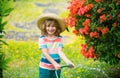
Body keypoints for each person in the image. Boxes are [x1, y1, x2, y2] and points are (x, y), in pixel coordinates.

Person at [37, 13, 74, 78]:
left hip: (56, 68)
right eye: (48, 26)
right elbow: (45, 53)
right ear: (45, 27)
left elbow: (60, 51)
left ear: (57, 27)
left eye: (53, 26)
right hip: (45, 68)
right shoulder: (42, 38)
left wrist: (67, 61)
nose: (50, 28)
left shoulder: (59, 39)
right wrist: (54, 63)